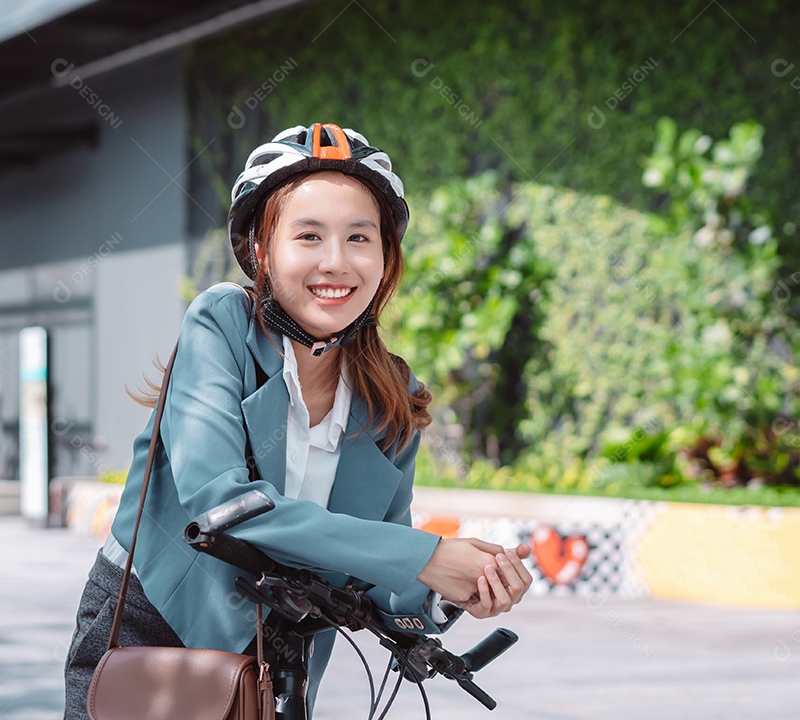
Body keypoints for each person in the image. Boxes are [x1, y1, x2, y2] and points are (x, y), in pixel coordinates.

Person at [63, 123, 533, 719]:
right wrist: (425, 555)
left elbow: (374, 576)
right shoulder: (222, 324)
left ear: (385, 257)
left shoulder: (393, 395)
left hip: (280, 669)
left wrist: (449, 590)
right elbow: (220, 503)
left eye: (360, 237)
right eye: (308, 235)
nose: (335, 263)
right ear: (261, 250)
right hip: (153, 632)